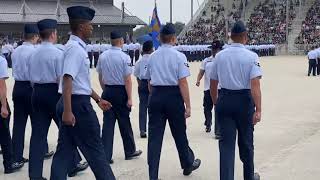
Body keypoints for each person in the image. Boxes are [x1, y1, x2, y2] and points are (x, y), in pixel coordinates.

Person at [50, 6, 115, 180]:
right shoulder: (75, 49)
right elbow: (67, 79)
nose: (92, 28)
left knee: (63, 152)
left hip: (72, 102)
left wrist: (97, 99)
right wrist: (68, 111)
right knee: (96, 152)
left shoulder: (73, 47)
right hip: (76, 106)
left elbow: (80, 83)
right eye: (89, 24)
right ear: (81, 27)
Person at [146, 24, 201, 180]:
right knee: (179, 133)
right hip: (173, 96)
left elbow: (149, 82)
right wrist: (188, 105)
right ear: (172, 39)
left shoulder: (152, 56)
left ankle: (153, 175)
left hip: (156, 95)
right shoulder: (179, 56)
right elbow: (182, 82)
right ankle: (187, 163)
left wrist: (154, 95)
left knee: (155, 137)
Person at [210, 21, 261, 180]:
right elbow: (255, 85)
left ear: (230, 36)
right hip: (244, 101)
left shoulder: (219, 55)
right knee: (246, 143)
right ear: (245, 37)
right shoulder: (251, 56)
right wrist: (258, 109)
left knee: (226, 146)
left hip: (224, 98)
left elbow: (213, 83)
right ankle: (248, 176)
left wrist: (216, 102)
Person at [97, 31, 142, 164]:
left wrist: (105, 90)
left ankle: (106, 155)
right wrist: (129, 98)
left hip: (108, 90)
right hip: (120, 92)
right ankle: (129, 151)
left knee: (108, 125)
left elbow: (100, 77)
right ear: (121, 41)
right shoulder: (125, 57)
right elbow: (127, 79)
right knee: (124, 122)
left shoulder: (103, 56)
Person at [11, 24, 39, 165]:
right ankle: (40, 151)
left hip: (18, 87)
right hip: (30, 88)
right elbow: (35, 74)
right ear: (35, 36)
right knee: (37, 123)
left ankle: (16, 157)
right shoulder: (34, 51)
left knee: (19, 124)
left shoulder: (16, 50)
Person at [0, 55, 24, 174]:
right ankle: (9, 164)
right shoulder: (1, 60)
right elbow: (1, 85)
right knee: (4, 134)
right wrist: (4, 106)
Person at [196, 40, 223, 137]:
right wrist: (198, 80)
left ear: (220, 49)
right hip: (208, 88)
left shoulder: (223, 60)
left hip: (220, 88)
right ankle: (208, 123)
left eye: (215, 49)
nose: (214, 51)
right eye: (213, 49)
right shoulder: (206, 60)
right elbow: (201, 72)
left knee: (218, 109)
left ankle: (218, 131)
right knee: (207, 108)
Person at [134, 40, 154, 138]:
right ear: (151, 49)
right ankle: (152, 128)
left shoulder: (139, 61)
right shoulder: (154, 59)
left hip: (142, 83)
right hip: (152, 84)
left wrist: (140, 85)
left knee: (142, 107)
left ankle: (142, 129)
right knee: (153, 107)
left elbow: (137, 75)